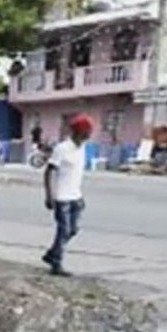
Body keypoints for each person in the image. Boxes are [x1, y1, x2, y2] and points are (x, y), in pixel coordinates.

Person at [42, 113, 94, 277]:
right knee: (63, 230)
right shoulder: (62, 148)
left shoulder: (83, 148)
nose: (87, 137)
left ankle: (51, 254)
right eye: (85, 134)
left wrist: (80, 196)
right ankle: (56, 264)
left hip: (75, 197)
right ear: (77, 132)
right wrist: (49, 195)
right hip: (62, 198)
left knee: (73, 230)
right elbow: (48, 172)